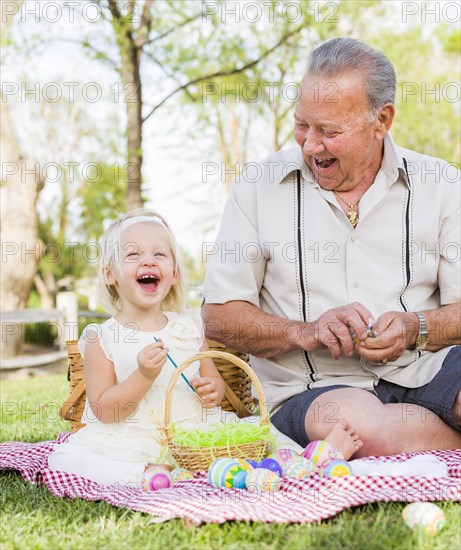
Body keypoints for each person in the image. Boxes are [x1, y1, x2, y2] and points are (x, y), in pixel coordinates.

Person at [202, 38, 461, 458]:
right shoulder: (257, 186)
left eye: (329, 131)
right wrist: (304, 332)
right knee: (354, 428)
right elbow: (218, 319)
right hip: (311, 390)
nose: (309, 145)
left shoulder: (443, 185)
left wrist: (416, 327)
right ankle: (428, 443)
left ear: (382, 120)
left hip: (423, 368)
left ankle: (412, 442)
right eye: (302, 124)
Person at [49, 209, 307, 487]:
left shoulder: (188, 326)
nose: (148, 261)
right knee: (64, 458)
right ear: (110, 274)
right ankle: (145, 472)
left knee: (261, 430)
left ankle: (303, 460)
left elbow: (216, 388)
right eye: (133, 255)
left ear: (173, 273)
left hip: (194, 432)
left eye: (159, 254)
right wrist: (143, 376)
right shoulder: (103, 338)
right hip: (134, 439)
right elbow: (106, 411)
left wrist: (211, 390)